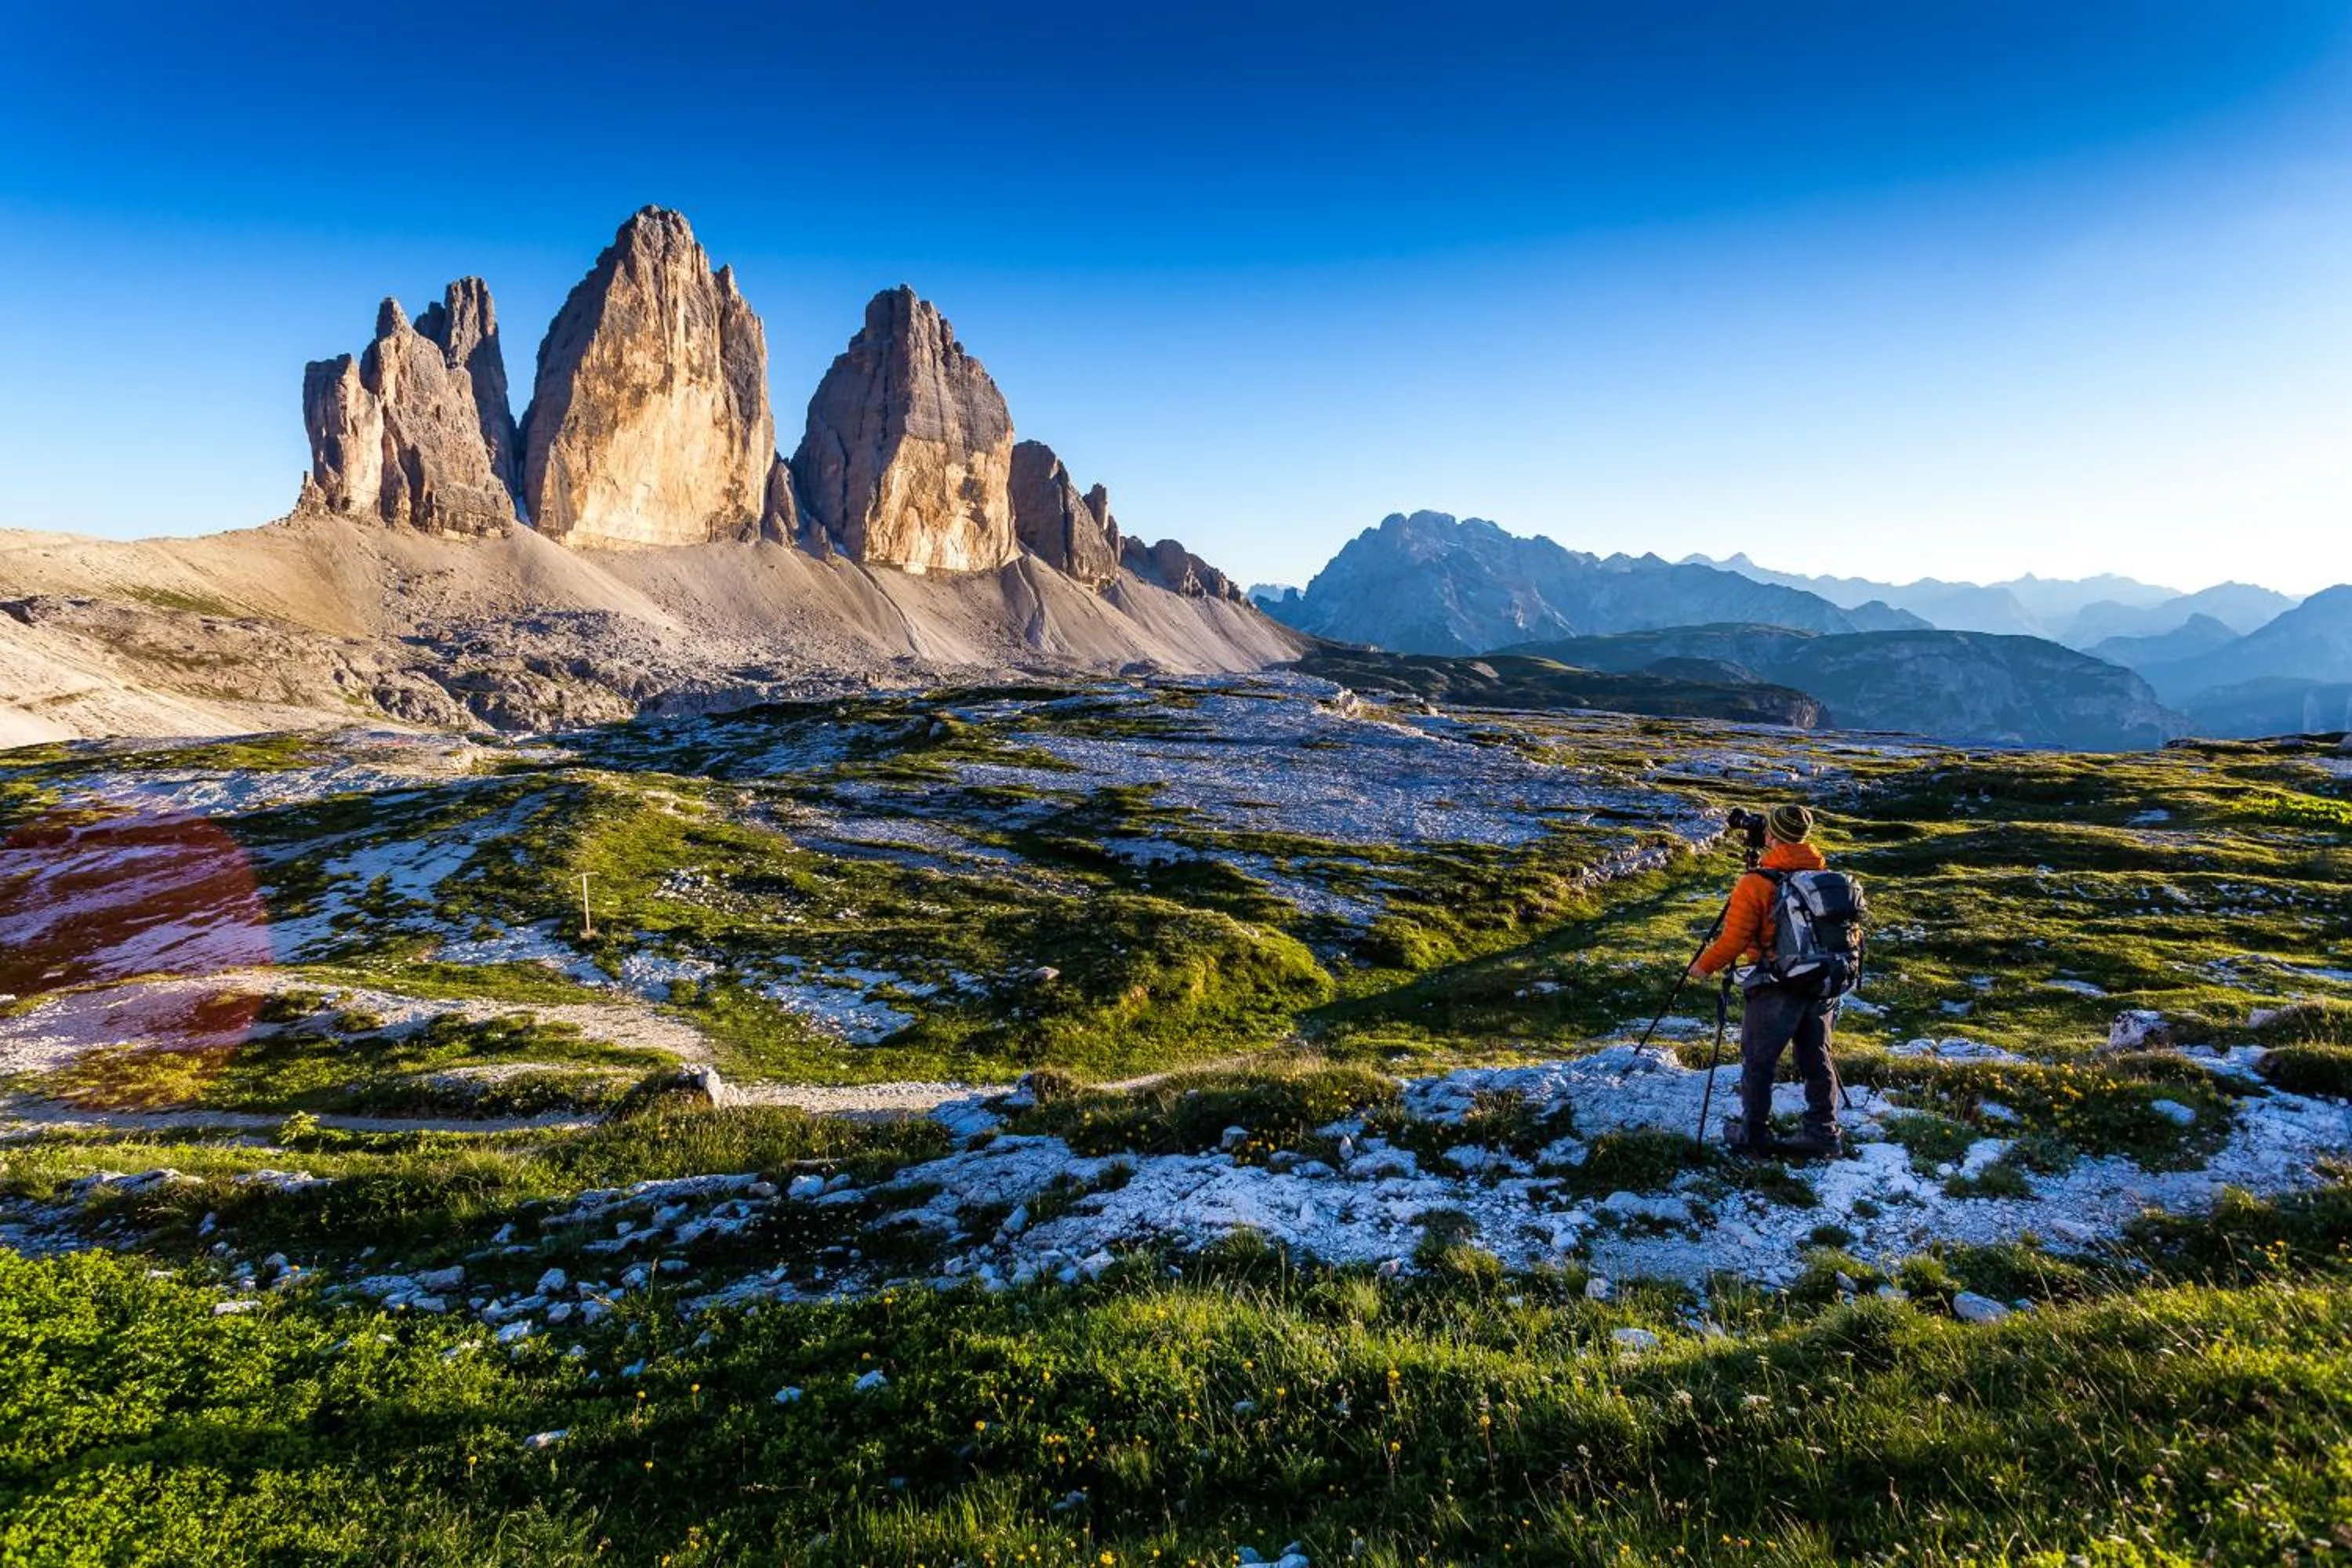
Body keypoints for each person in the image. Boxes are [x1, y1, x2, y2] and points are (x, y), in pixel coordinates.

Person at [1686, 802, 1844, 1155]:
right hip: (1820, 982)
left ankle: (1754, 1136)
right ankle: (1823, 1133)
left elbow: (1734, 940)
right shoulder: (1822, 877)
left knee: (1759, 1061)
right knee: (1817, 1057)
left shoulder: (1756, 882)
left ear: (1771, 835)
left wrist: (1703, 966)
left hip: (1776, 984)